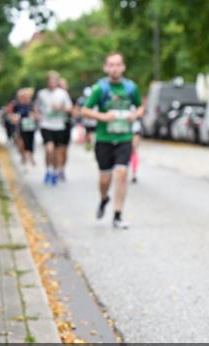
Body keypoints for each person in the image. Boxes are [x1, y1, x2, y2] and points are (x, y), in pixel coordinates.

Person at [81, 53, 144, 229]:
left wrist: (135, 115)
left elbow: (140, 107)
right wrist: (102, 116)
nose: (115, 68)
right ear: (106, 68)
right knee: (104, 179)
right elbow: (85, 110)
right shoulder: (100, 88)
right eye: (111, 65)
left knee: (122, 173)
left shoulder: (131, 88)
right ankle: (103, 199)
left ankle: (117, 215)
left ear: (123, 67)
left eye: (118, 65)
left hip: (124, 137)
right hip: (104, 138)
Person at [36, 72, 72, 185]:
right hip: (46, 125)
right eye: (50, 81)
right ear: (47, 82)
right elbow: (36, 107)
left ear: (56, 82)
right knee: (49, 149)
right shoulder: (41, 94)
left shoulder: (63, 93)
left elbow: (70, 108)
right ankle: (48, 170)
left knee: (57, 152)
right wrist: (37, 115)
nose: (52, 83)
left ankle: (55, 172)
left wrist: (61, 107)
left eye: (54, 81)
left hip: (59, 125)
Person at [7, 88, 37, 166]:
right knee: (20, 141)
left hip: (30, 126)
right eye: (23, 96)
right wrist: (14, 118)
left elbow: (37, 114)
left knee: (30, 141)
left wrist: (33, 116)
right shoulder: (15, 104)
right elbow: (9, 114)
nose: (25, 98)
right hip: (19, 126)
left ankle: (30, 156)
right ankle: (23, 155)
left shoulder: (32, 104)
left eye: (27, 96)